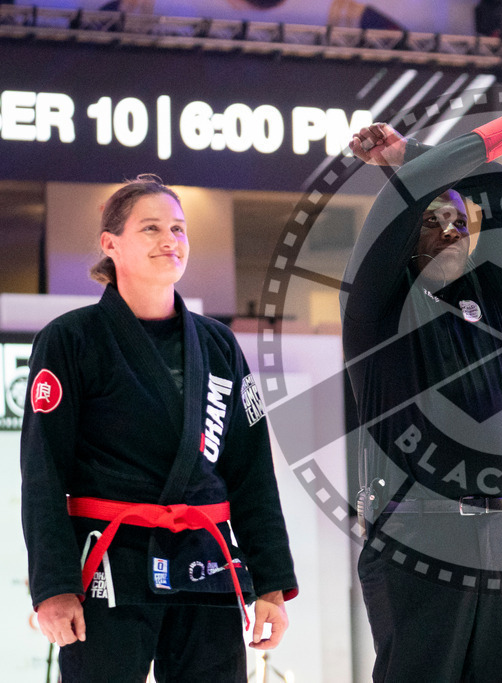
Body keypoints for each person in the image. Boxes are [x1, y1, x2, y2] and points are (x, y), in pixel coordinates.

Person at [20, 175, 298, 682]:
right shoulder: (69, 340)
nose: (170, 241)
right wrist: (53, 588)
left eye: (178, 229)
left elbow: (252, 470)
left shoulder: (217, 345)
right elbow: (42, 473)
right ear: (111, 244)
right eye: (151, 228)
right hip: (110, 559)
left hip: (206, 560)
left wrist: (271, 585)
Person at [342, 104, 502, 681]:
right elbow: (406, 195)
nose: (450, 231)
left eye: (460, 221)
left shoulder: (494, 307)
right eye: (432, 220)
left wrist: (414, 154)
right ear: (405, 235)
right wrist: (486, 139)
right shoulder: (376, 311)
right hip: (421, 535)